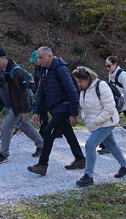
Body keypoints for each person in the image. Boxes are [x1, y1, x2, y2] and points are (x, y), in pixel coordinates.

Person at [27, 47, 85, 176]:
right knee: (68, 132)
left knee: (48, 132)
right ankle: (80, 158)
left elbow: (72, 92)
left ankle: (42, 165)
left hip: (64, 107)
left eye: (40, 58)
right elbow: (41, 91)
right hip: (55, 107)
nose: (38, 61)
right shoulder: (44, 70)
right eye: (38, 58)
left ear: (49, 56)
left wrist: (74, 113)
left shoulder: (60, 69)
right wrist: (36, 111)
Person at [71, 66, 126, 187]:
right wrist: (85, 117)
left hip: (107, 122)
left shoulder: (101, 86)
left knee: (90, 145)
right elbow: (84, 105)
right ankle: (125, 166)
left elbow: (110, 108)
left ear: (89, 78)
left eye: (81, 81)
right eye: (77, 81)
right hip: (98, 123)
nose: (79, 84)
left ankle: (88, 176)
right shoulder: (84, 88)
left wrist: (95, 121)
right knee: (110, 144)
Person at [0, 49, 44, 164]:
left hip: (18, 106)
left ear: (4, 59)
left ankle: (3, 154)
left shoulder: (16, 72)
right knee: (24, 126)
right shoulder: (0, 71)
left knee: (5, 127)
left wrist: (25, 110)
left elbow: (24, 92)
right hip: (11, 105)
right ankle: (41, 145)